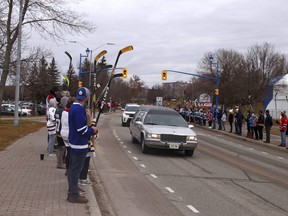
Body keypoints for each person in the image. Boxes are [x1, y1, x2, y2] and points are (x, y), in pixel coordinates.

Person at [67, 87, 98, 204]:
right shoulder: (79, 109)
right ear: (86, 97)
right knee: (75, 170)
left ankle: (72, 190)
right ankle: (73, 194)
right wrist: (93, 130)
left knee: (72, 169)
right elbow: (82, 130)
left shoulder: (73, 107)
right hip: (79, 145)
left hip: (73, 143)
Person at [79, 109, 96, 185]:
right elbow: (94, 136)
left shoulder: (82, 122)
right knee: (85, 163)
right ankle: (83, 179)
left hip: (83, 145)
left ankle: (81, 178)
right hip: (86, 146)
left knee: (82, 163)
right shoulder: (88, 124)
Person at [61, 97, 76, 175]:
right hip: (69, 133)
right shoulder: (71, 112)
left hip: (63, 132)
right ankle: (69, 169)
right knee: (71, 152)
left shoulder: (64, 111)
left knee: (68, 151)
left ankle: (67, 168)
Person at [55, 96, 69, 169]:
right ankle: (60, 163)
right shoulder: (63, 111)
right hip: (61, 130)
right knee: (62, 147)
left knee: (60, 147)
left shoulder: (57, 110)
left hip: (57, 130)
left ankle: (61, 161)